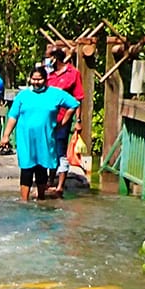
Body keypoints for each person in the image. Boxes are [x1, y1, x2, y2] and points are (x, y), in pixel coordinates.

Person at [0, 64, 64, 202]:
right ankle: (24, 200)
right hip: (26, 140)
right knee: (26, 169)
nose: (36, 82)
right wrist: (5, 136)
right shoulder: (23, 96)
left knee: (41, 169)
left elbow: (73, 104)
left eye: (39, 79)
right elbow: (12, 117)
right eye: (33, 79)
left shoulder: (54, 93)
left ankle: (41, 198)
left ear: (45, 79)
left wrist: (63, 122)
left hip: (44, 140)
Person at [43, 44, 84, 189]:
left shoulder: (73, 74)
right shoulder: (47, 75)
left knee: (60, 149)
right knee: (48, 149)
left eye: (48, 58)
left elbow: (78, 98)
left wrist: (78, 121)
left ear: (54, 59)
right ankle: (49, 179)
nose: (45, 61)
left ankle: (60, 185)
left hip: (63, 119)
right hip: (46, 120)